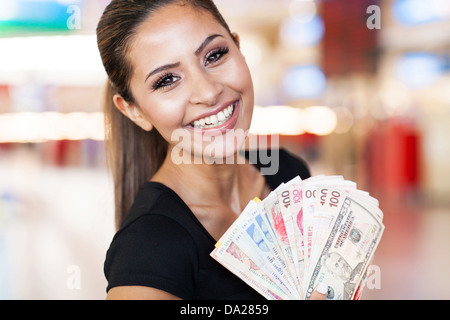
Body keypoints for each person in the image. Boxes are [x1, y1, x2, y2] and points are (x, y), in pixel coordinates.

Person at [97, 0, 326, 300]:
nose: (208, 92)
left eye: (214, 55)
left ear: (238, 47)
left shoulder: (288, 173)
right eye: (167, 80)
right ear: (133, 111)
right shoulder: (147, 249)